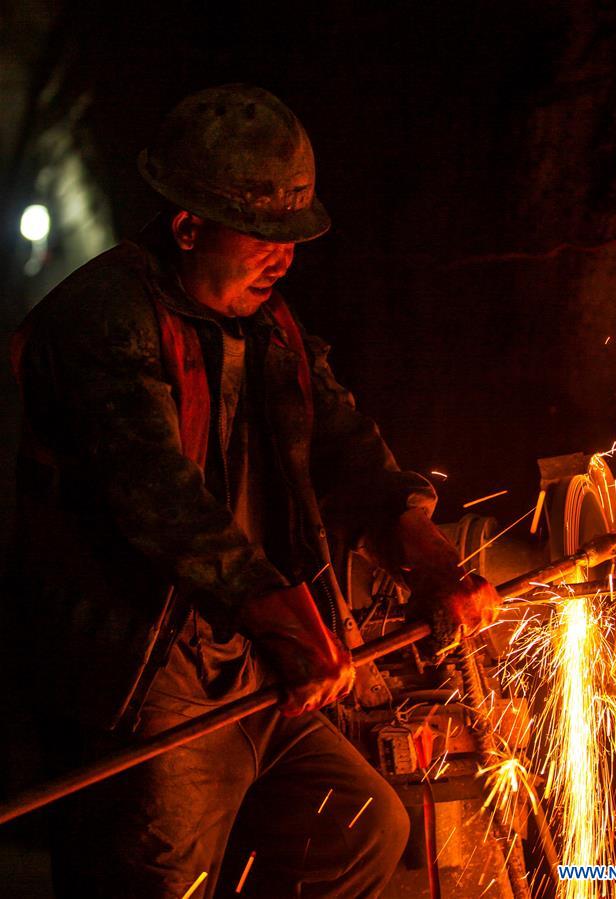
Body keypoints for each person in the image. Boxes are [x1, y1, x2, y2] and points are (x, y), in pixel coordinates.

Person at [9, 84, 499, 898]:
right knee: (162, 881)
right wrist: (284, 615)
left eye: (293, 236)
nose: (285, 257)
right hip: (146, 682)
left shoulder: (272, 329)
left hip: (246, 667)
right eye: (263, 235)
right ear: (187, 225)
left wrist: (428, 556)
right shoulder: (102, 321)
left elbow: (344, 448)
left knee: (359, 826)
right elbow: (161, 504)